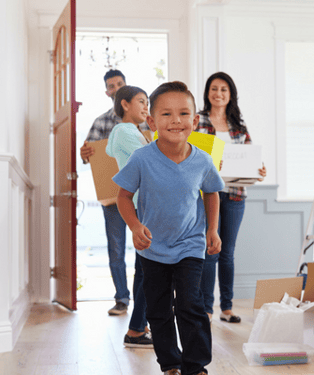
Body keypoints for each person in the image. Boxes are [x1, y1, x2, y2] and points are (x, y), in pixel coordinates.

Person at [113, 81, 224, 375]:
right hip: (152, 249)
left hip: (190, 244)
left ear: (195, 121)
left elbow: (211, 192)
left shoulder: (202, 160)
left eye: (184, 113)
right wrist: (135, 226)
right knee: (159, 310)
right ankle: (171, 364)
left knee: (190, 305)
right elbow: (123, 196)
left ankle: (196, 365)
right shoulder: (142, 158)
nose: (176, 120)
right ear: (151, 121)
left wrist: (212, 230)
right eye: (166, 114)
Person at [197, 72, 267, 323]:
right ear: (207, 93)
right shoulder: (198, 120)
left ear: (230, 94)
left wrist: (259, 171)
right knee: (210, 250)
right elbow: (191, 152)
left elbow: (251, 158)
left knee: (227, 253)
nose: (218, 94)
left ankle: (227, 307)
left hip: (236, 194)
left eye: (224, 90)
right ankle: (206, 307)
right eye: (214, 89)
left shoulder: (239, 125)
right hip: (208, 194)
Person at [80, 70, 150, 316]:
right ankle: (122, 298)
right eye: (111, 86)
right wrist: (85, 153)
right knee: (117, 248)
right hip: (113, 195)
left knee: (144, 249)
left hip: (139, 196)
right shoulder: (102, 123)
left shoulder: (143, 122)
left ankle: (142, 307)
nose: (116, 87)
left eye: (120, 84)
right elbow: (92, 155)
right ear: (108, 92)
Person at [105, 85, 153, 348]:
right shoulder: (125, 131)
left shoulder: (125, 132)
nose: (146, 107)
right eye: (142, 102)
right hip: (143, 203)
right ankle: (136, 329)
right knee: (148, 271)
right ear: (125, 104)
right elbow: (151, 156)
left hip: (139, 202)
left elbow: (110, 153)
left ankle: (139, 325)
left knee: (143, 269)